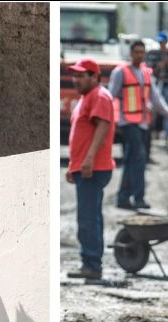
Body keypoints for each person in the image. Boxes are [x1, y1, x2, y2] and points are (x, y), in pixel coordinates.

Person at [109, 39, 168, 210]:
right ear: (131, 53)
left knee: (131, 160)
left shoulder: (146, 73)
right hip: (128, 123)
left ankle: (123, 198)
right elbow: (110, 96)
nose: (139, 55)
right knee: (139, 158)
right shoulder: (121, 72)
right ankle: (138, 198)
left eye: (142, 52)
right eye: (137, 52)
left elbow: (156, 98)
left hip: (142, 123)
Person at [65, 58, 116, 280]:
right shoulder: (88, 97)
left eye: (80, 76)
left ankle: (92, 264)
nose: (75, 79)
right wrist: (72, 165)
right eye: (74, 75)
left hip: (93, 168)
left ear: (94, 77)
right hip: (87, 167)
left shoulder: (100, 96)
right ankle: (91, 261)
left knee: (87, 218)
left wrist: (88, 160)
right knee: (90, 216)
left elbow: (102, 127)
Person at [151, 31, 168, 150]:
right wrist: (159, 65)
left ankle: (167, 136)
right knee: (155, 109)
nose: (161, 44)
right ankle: (154, 134)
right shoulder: (154, 54)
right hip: (157, 85)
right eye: (159, 42)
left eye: (162, 42)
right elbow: (151, 71)